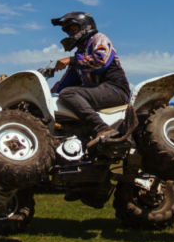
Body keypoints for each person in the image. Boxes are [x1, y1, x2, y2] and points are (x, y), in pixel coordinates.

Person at [50, 11, 130, 145]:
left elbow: (101, 61)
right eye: (68, 31)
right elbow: (64, 83)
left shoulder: (99, 39)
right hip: (97, 93)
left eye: (73, 29)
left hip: (115, 90)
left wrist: (71, 60)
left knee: (69, 93)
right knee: (61, 95)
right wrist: (48, 95)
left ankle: (103, 128)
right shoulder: (80, 53)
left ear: (85, 26)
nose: (71, 34)